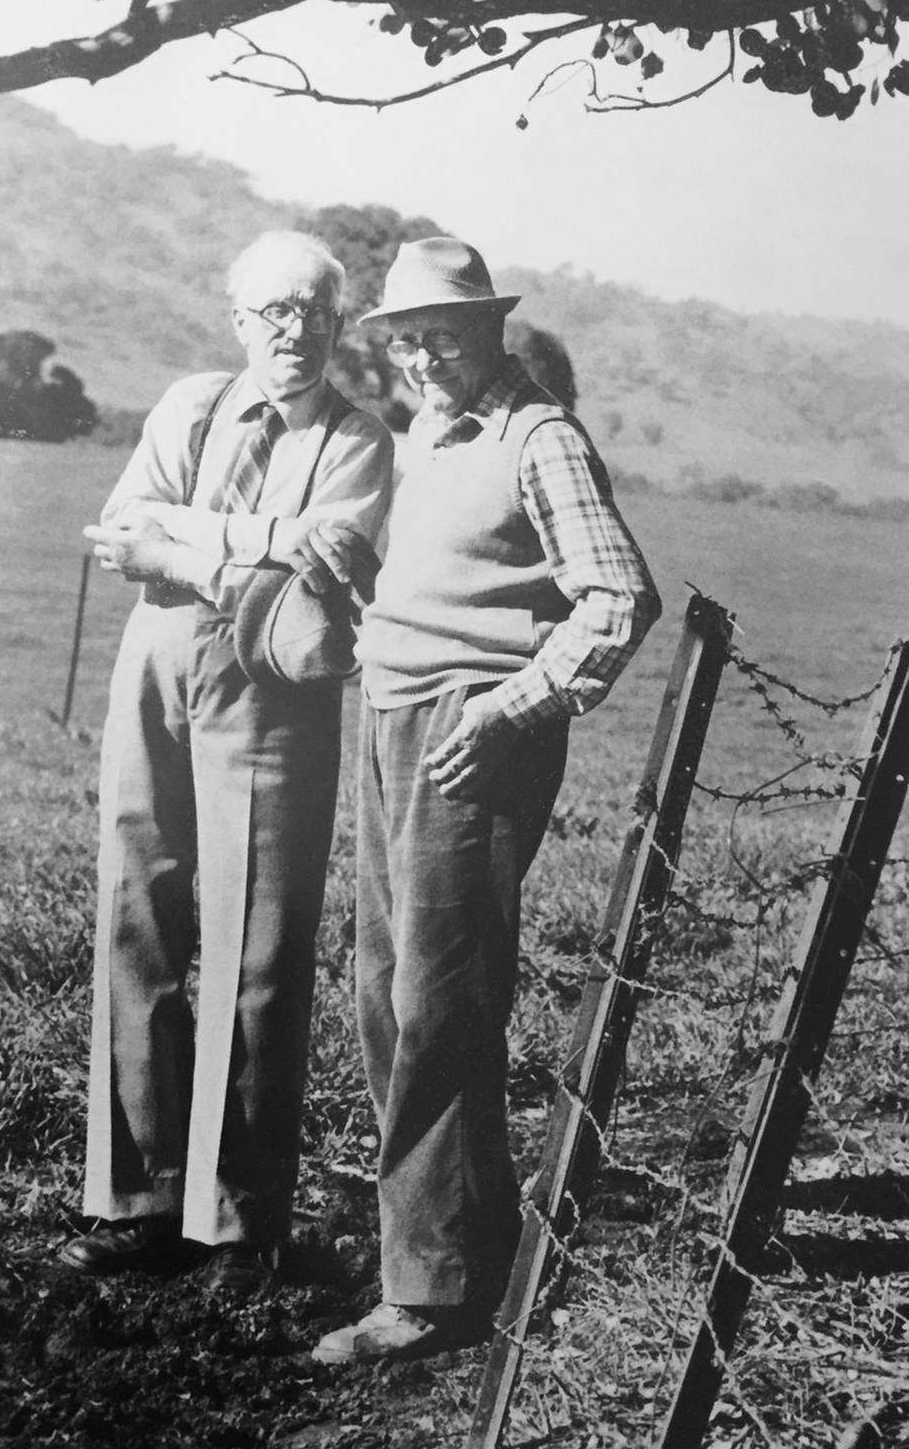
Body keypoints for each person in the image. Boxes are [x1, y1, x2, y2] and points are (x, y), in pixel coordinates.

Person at [312, 237, 661, 1364]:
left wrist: (512, 707)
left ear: (490, 331)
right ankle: (462, 1240)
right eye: (404, 339)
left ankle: (431, 1289)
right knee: (385, 988)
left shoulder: (538, 435)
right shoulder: (424, 429)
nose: (421, 357)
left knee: (438, 1000)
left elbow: (617, 599)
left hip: (470, 739)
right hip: (387, 717)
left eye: (442, 336)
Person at [61, 230, 394, 1295]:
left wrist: (186, 547)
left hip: (273, 681)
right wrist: (244, 542)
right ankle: (139, 1199)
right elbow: (124, 527)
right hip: (154, 663)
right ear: (239, 319)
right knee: (136, 910)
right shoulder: (190, 401)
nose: (292, 329)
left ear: (338, 326)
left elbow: (323, 556)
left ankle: (238, 1216)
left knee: (259, 945)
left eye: (313, 311)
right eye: (272, 311)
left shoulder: (360, 440)